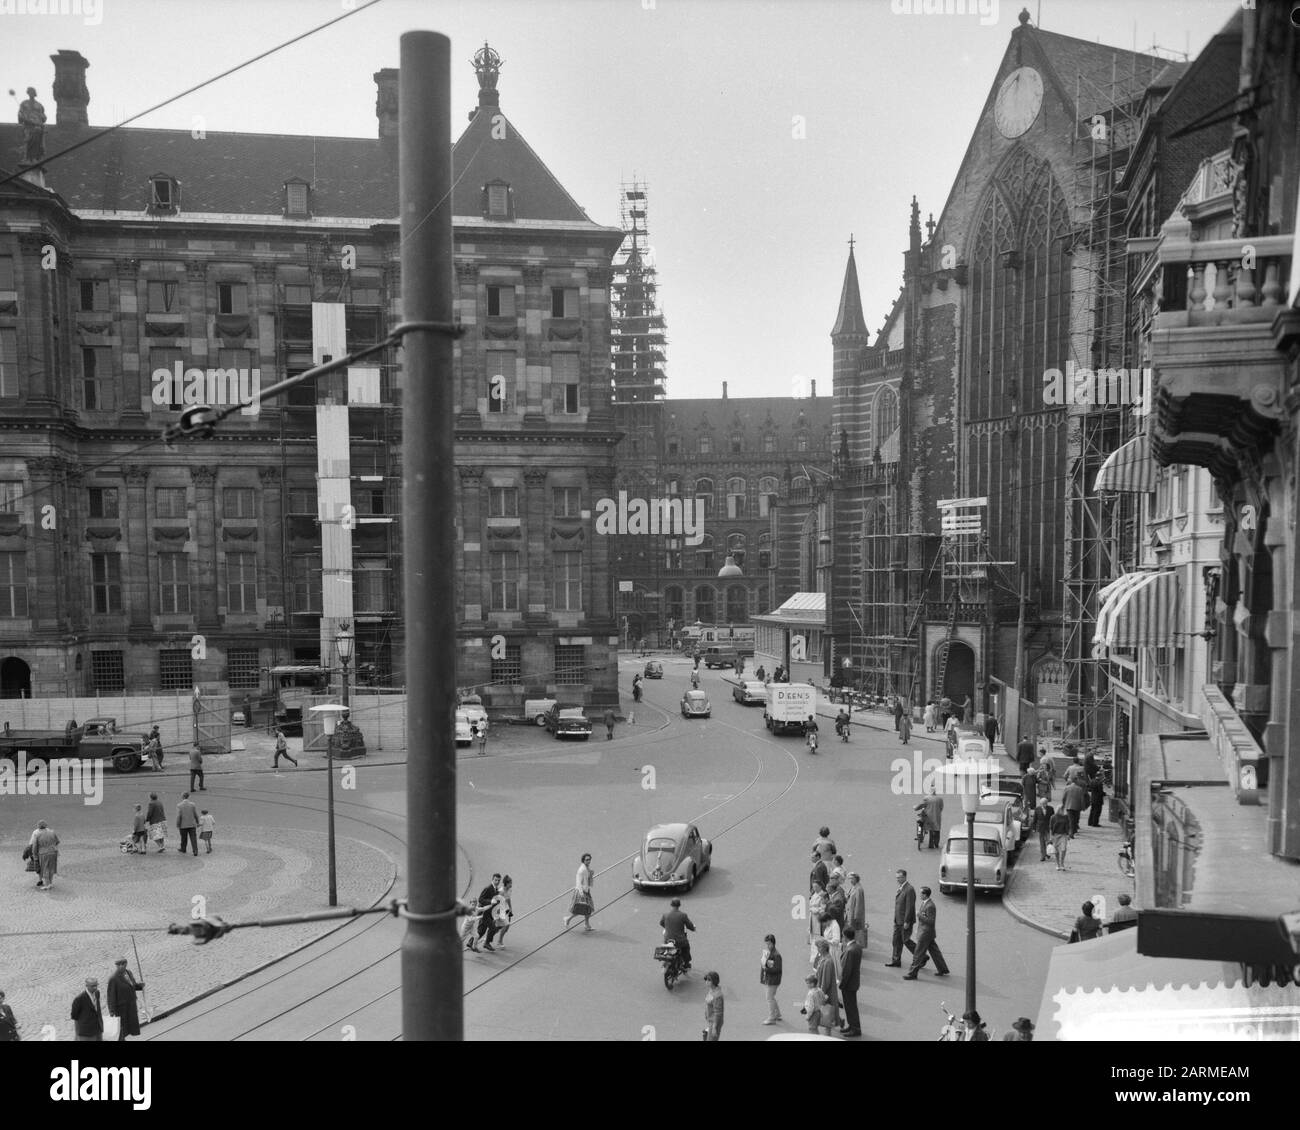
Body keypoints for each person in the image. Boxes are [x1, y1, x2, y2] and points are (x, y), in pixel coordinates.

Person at [904, 886, 950, 978]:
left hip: (925, 934)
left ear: (925, 894)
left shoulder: (930, 906)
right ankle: (942, 969)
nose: (919, 895)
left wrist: (919, 915)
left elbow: (931, 921)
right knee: (935, 952)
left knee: (918, 953)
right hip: (927, 933)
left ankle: (912, 973)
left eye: (921, 893)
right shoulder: (925, 903)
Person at [106, 958, 144, 1041]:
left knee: (129, 1026)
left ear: (126, 964)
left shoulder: (129, 972)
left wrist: (140, 986)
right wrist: (111, 1011)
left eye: (123, 964)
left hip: (131, 1005)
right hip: (121, 1009)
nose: (121, 966)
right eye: (119, 965)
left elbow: (132, 986)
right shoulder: (113, 978)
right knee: (121, 1029)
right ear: (117, 966)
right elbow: (110, 997)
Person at [886, 868, 917, 966]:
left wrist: (907, 921)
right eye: (897, 878)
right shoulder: (901, 887)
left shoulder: (909, 889)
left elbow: (910, 906)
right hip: (898, 920)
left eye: (899, 877)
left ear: (904, 877)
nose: (897, 879)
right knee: (896, 941)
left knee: (906, 940)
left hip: (904, 921)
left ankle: (921, 956)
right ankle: (896, 960)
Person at [838, 927, 863, 1037]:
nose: (842, 938)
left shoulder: (849, 951)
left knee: (850, 1007)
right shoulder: (856, 946)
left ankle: (855, 1029)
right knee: (851, 1006)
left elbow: (846, 970)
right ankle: (852, 1026)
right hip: (854, 982)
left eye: (843, 936)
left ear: (846, 937)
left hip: (849, 984)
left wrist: (842, 984)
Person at [812, 938, 840, 1035]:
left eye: (818, 947)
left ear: (824, 948)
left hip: (826, 993)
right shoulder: (823, 958)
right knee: (826, 1016)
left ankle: (827, 1037)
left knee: (826, 1016)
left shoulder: (828, 961)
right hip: (824, 991)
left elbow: (826, 981)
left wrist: (820, 994)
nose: (817, 949)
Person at [660, 897, 696, 971]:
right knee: (686, 947)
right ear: (679, 905)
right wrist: (693, 928)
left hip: (667, 940)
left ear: (671, 905)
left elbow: (661, 923)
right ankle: (686, 963)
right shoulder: (683, 915)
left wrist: (667, 927)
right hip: (679, 941)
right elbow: (689, 926)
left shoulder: (665, 915)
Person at [563, 852, 595, 932]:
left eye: (589, 859)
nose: (589, 861)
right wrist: (582, 894)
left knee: (587, 909)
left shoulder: (587, 868)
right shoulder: (582, 870)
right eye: (587, 860)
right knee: (581, 909)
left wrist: (591, 874)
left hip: (586, 890)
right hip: (582, 892)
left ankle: (586, 925)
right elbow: (578, 883)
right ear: (583, 860)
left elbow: (588, 880)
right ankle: (568, 919)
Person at [471, 874, 503, 952]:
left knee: (481, 930)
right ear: (492, 879)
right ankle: (486, 943)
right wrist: (490, 901)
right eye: (496, 880)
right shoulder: (488, 888)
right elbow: (481, 899)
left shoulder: (496, 889)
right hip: (484, 912)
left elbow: (495, 900)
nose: (497, 882)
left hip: (489, 913)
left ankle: (470, 943)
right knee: (493, 928)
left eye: (499, 880)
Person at [760, 934, 783, 1024]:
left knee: (769, 998)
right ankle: (777, 1014)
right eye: (766, 944)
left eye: (769, 944)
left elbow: (777, 969)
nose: (767, 946)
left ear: (773, 943)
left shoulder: (776, 955)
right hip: (770, 979)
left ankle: (772, 1017)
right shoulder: (768, 953)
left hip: (773, 980)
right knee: (771, 997)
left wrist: (766, 968)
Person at [33, 820, 58, 890]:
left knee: (45, 869)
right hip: (53, 852)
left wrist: (35, 856)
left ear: (39, 827)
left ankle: (47, 884)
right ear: (46, 826)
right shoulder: (52, 832)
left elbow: (35, 847)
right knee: (51, 868)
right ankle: (50, 883)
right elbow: (57, 842)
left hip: (43, 853)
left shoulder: (37, 835)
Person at [918, 783, 944, 849]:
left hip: (928, 816)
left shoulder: (926, 798)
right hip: (937, 816)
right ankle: (936, 843)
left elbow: (922, 805)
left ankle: (931, 844)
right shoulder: (939, 799)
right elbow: (941, 807)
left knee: (930, 829)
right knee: (937, 830)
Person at [492, 875, 514, 947]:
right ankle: (499, 942)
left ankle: (488, 938)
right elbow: (496, 902)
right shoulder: (501, 891)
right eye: (510, 883)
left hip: (503, 910)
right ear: (506, 883)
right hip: (498, 911)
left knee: (500, 928)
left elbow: (508, 898)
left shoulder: (509, 890)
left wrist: (510, 908)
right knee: (506, 925)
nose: (511, 884)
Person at [176, 793, 200, 857]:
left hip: (183, 825)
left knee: (184, 838)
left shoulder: (179, 805)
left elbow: (179, 816)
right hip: (192, 824)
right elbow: (195, 814)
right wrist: (198, 822)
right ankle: (195, 851)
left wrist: (178, 824)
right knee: (193, 838)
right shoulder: (192, 804)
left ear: (183, 797)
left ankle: (183, 849)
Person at [844, 872, 867, 941]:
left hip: (853, 915)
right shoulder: (853, 887)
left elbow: (859, 904)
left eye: (852, 879)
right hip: (850, 913)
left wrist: (856, 917)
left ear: (856, 879)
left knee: (855, 932)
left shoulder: (859, 889)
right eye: (850, 879)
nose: (850, 881)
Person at [1033, 795, 1055, 862]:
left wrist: (1054, 827)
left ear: (1047, 803)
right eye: (1042, 804)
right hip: (1041, 828)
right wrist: (1034, 828)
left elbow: (1053, 818)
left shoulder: (1051, 809)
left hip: (1048, 827)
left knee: (1049, 841)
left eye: (1045, 803)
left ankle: (1048, 853)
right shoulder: (1037, 809)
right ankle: (1043, 856)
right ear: (1040, 804)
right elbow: (1035, 819)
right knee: (1042, 842)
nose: (1044, 805)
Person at [1049, 806, 1072, 871]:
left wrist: (1068, 834)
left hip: (1063, 835)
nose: (1064, 811)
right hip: (1055, 835)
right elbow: (1050, 827)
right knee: (1056, 850)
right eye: (1063, 809)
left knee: (1063, 849)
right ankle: (1058, 864)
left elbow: (1068, 826)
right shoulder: (1053, 817)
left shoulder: (1066, 817)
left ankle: (1062, 863)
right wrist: (1050, 837)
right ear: (1059, 810)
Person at [702, 972, 723, 1041]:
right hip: (711, 1021)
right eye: (706, 979)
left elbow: (718, 1013)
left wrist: (714, 1027)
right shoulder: (711, 990)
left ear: (714, 981)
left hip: (714, 1023)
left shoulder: (717, 996)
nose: (706, 981)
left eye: (709, 980)